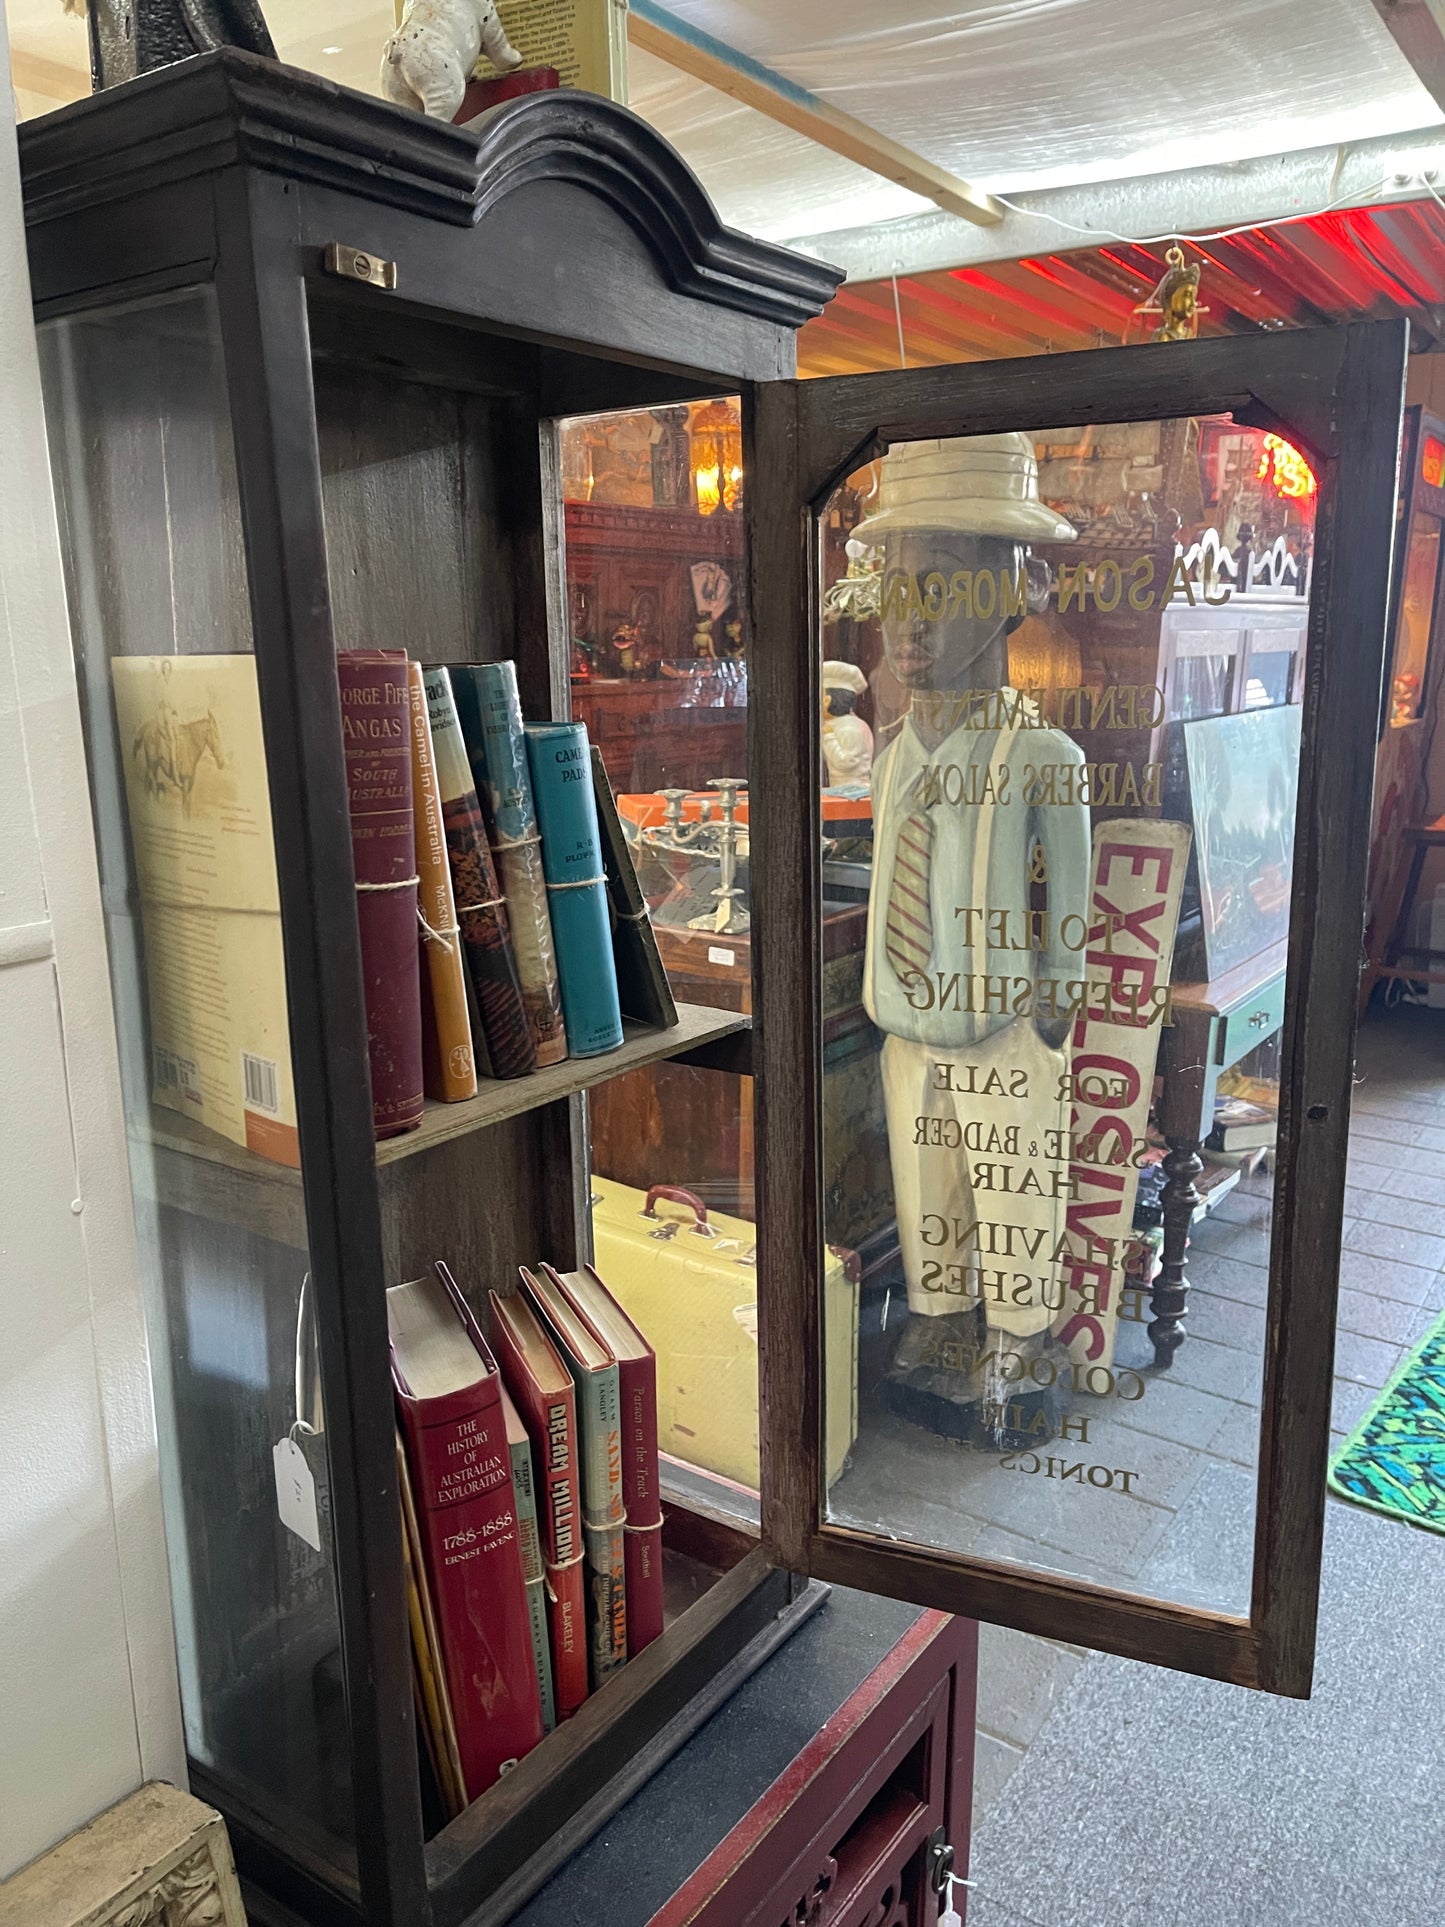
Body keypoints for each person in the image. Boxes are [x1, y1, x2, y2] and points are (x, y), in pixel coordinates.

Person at [854, 434, 1088, 1445]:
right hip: (905, 1019)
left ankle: (1017, 1338)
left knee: (1012, 1191)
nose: (910, 626)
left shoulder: (1044, 756)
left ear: (1006, 593)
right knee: (928, 1189)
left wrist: (1057, 994)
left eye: (940, 590)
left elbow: (1068, 901)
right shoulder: (890, 755)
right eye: (897, 593)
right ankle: (940, 1324)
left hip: (1003, 1026)